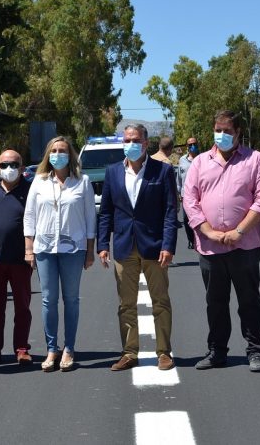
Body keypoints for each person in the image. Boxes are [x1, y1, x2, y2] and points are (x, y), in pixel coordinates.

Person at [183, 110, 260, 372]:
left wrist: (240, 231)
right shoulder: (199, 162)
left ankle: (255, 351)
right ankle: (217, 352)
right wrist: (208, 231)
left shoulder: (255, 160)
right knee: (216, 303)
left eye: (227, 131)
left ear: (238, 133)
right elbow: (190, 200)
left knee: (249, 301)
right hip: (210, 247)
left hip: (244, 246)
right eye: (217, 129)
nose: (221, 135)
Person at [98, 124, 178, 372]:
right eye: (127, 139)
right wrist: (103, 244)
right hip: (123, 246)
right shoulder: (112, 172)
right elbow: (106, 212)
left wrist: (168, 244)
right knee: (126, 304)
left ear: (145, 144)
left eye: (135, 139)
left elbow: (170, 211)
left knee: (160, 301)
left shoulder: (163, 171)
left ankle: (164, 352)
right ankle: (129, 352)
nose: (130, 143)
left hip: (154, 246)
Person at [23, 136, 96, 373]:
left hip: (73, 249)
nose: (57, 154)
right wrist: (29, 248)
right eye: (53, 150)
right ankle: (51, 348)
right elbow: (30, 216)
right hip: (44, 248)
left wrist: (90, 251)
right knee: (48, 300)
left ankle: (69, 348)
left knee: (71, 299)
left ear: (70, 154)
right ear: (48, 155)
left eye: (62, 150)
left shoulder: (82, 182)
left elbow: (90, 219)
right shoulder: (40, 181)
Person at [0, 149, 34, 366]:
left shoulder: (30, 191)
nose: (9, 169)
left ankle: (22, 349)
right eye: (4, 165)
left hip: (21, 259)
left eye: (14, 165)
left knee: (22, 306)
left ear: (22, 168)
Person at [176, 138, 199, 249]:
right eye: (190, 145)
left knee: (200, 218)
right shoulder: (182, 160)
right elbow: (179, 177)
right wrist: (179, 192)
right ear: (187, 146)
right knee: (186, 219)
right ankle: (191, 239)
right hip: (186, 195)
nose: (192, 146)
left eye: (194, 144)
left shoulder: (203, 158)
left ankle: (199, 239)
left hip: (201, 195)